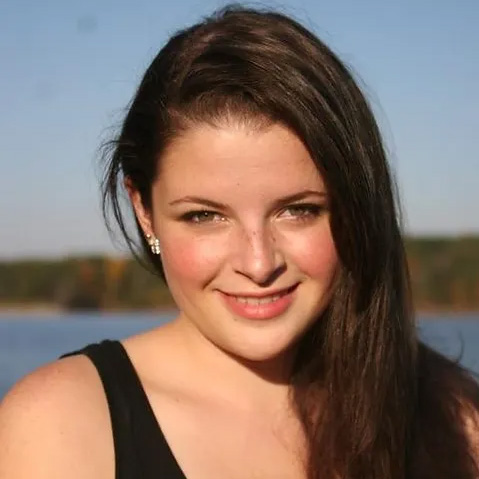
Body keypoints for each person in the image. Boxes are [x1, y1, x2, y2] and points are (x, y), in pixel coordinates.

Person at [0, 5, 478, 479]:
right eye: (205, 216)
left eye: (299, 210)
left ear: (356, 207)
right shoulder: (63, 425)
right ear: (144, 211)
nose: (258, 262)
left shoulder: (456, 421)